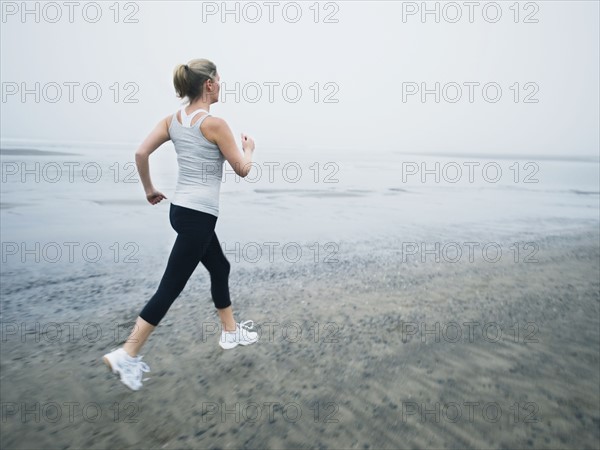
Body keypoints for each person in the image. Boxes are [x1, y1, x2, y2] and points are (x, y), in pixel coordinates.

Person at [103, 58, 258, 391]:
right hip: (198, 217)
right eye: (219, 79)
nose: (221, 84)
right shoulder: (215, 124)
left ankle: (231, 332)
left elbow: (141, 153)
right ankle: (127, 353)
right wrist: (249, 150)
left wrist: (149, 190)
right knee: (170, 287)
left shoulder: (171, 121)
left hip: (181, 212)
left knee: (220, 267)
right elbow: (242, 169)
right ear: (209, 85)